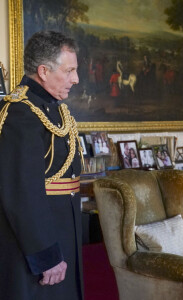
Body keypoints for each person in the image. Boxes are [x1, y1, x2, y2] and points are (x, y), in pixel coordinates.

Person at [0, 31, 84, 300]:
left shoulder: (55, 109)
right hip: (35, 244)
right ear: (44, 71)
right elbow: (21, 192)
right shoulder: (19, 113)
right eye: (69, 70)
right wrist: (45, 254)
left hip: (61, 230)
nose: (76, 79)